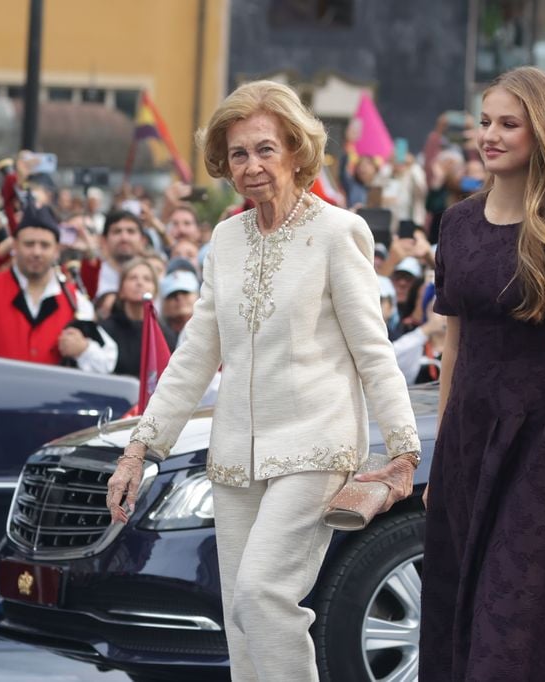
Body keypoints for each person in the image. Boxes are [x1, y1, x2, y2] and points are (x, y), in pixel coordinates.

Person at [105, 80, 421, 682]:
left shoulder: (339, 232)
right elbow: (194, 355)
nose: (250, 165)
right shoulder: (225, 240)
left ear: (297, 151)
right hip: (235, 456)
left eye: (265, 149)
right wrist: (140, 448)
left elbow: (373, 351)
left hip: (315, 447)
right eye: (238, 154)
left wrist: (404, 450)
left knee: (262, 595)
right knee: (240, 618)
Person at [419, 65, 545, 681]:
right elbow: (453, 346)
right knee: (464, 595)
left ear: (543, 132)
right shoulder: (457, 222)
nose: (490, 135)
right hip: (471, 430)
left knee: (514, 608)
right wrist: (442, 452)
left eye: (508, 123)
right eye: (485, 122)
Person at [0, 203, 115, 372]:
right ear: (15, 246)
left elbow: (108, 360)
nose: (37, 252)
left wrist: (84, 349)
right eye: (29, 244)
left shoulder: (74, 300)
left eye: (45, 245)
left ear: (57, 250)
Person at [99, 258, 177, 377]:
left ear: (155, 291)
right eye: (132, 278)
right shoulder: (104, 330)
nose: (139, 283)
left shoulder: (165, 336)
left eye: (147, 279)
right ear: (121, 290)